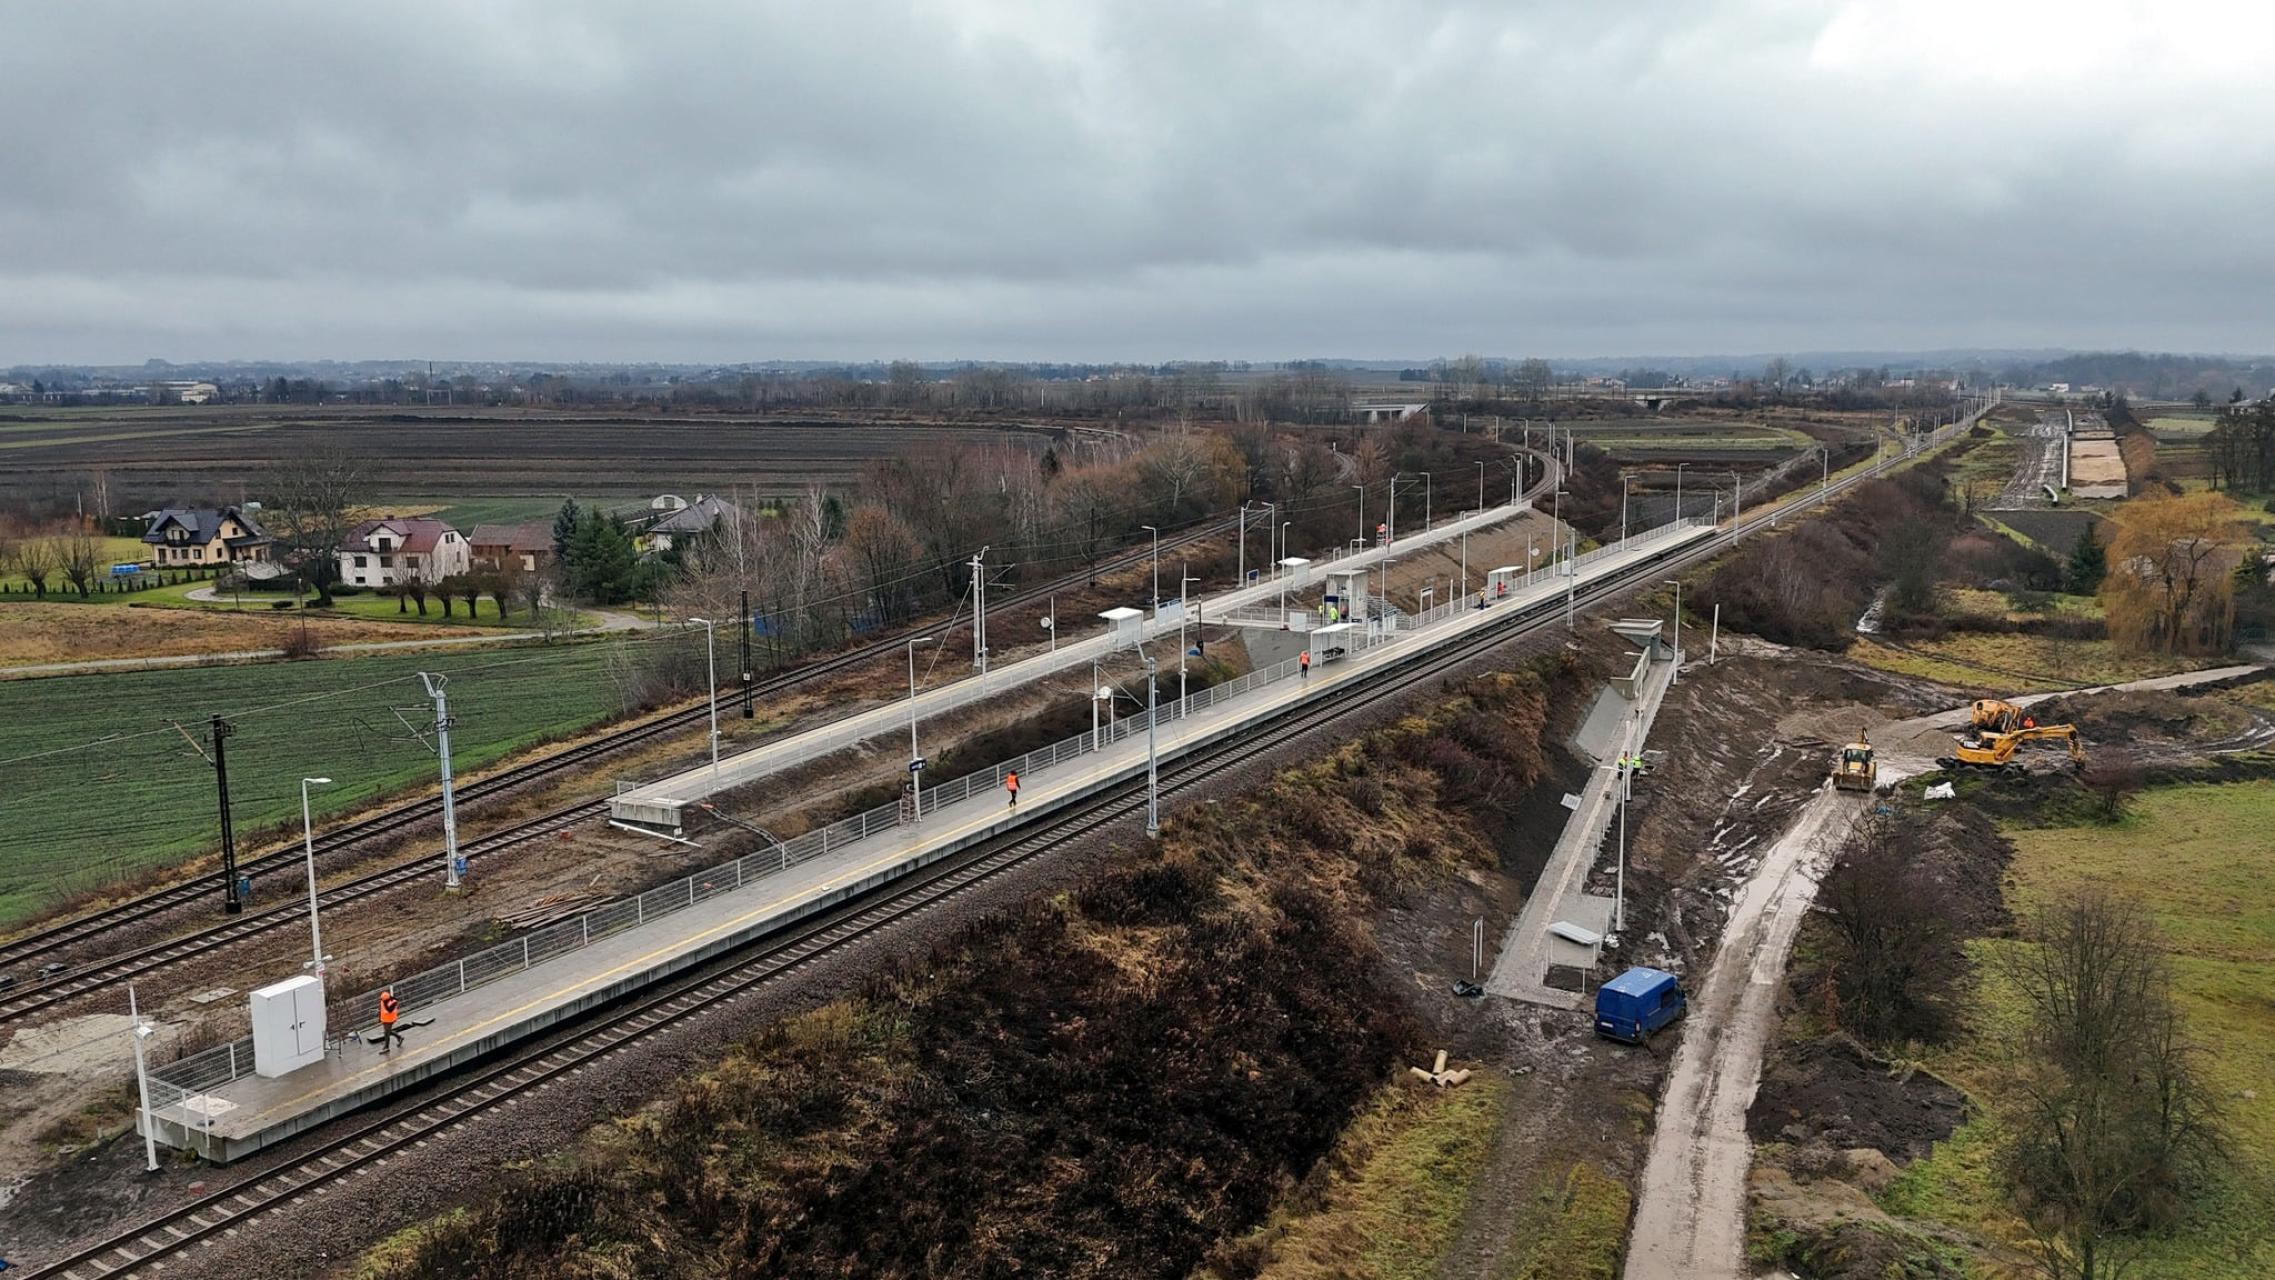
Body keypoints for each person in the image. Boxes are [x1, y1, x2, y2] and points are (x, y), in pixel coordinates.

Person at [377, 988, 403, 1054]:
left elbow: (389, 1010)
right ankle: (399, 1037)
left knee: (386, 1033)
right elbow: (381, 1009)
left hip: (390, 1019)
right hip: (385, 1019)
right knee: (388, 1031)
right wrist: (380, 1018)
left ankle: (386, 1047)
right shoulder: (383, 1000)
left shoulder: (392, 1002)